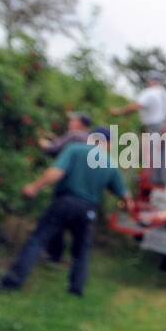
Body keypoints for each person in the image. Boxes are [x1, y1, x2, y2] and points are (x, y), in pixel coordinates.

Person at [0, 129, 134, 298]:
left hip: (65, 202)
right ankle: (76, 290)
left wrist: (35, 187)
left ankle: (13, 282)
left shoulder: (75, 149)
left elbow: (56, 172)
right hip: (89, 210)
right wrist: (128, 210)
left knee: (38, 240)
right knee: (82, 251)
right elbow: (126, 197)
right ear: (109, 144)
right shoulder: (111, 164)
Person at [37, 112, 94, 264]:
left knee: (55, 219)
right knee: (74, 226)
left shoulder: (73, 135)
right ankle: (69, 259)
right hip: (84, 189)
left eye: (73, 120)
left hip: (66, 184)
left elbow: (53, 149)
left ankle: (53, 254)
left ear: (80, 123)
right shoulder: (90, 140)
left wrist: (41, 142)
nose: (70, 122)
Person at [111, 73, 166, 185]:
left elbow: (137, 106)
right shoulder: (163, 94)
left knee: (148, 153)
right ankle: (160, 181)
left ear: (152, 81)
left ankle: (148, 180)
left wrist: (119, 112)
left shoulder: (150, 92)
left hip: (155, 126)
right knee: (161, 155)